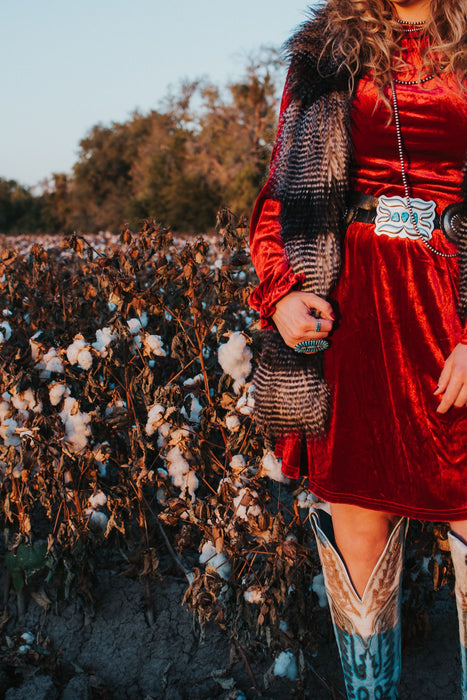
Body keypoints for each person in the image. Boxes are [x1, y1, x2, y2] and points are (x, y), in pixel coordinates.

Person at [249, 0, 467, 696]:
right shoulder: (323, 49)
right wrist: (280, 293)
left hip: (453, 301)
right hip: (355, 307)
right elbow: (281, 192)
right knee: (359, 519)